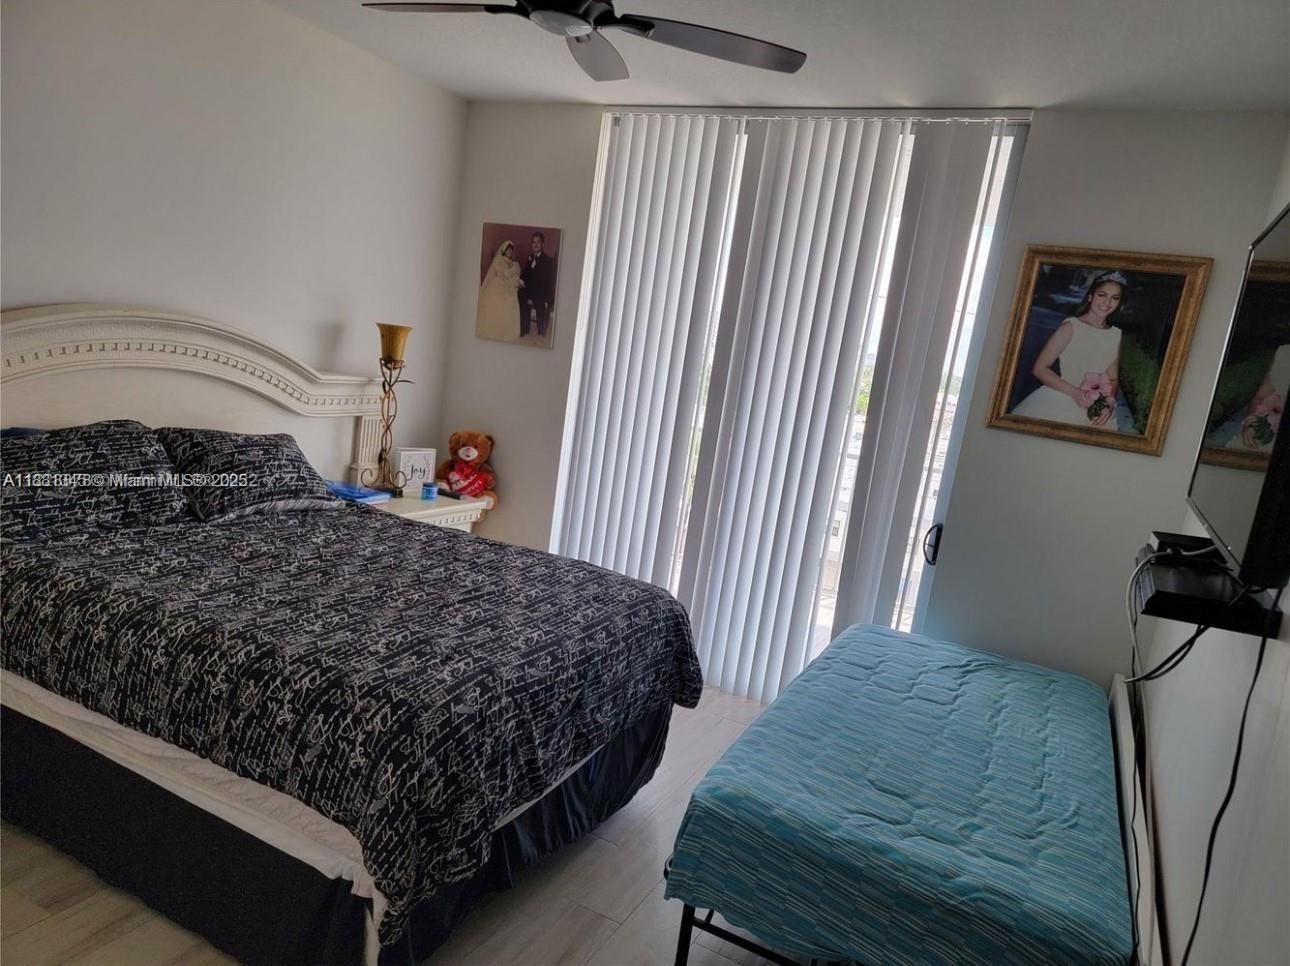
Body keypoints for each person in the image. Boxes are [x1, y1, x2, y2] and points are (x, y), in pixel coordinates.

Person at [1011, 270, 1126, 427]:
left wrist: (1110, 400)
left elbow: (1112, 378)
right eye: (1102, 295)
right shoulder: (1071, 327)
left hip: (1095, 407)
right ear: (1091, 296)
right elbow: (1039, 368)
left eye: (1114, 298)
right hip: (1062, 397)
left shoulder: (1115, 335)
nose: (1107, 302)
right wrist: (1076, 393)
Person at [476, 240, 523, 342]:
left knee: (512, 293)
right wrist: (513, 274)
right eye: (508, 250)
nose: (509, 252)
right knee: (497, 293)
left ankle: (507, 327)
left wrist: (515, 279)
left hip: (508, 284)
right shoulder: (499, 260)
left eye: (511, 251)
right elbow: (505, 274)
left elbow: (515, 275)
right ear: (504, 251)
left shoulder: (515, 264)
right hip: (499, 282)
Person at [520, 231, 555, 339]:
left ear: (543, 244)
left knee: (539, 299)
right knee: (521, 294)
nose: (535, 244)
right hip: (531, 290)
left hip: (542, 291)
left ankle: (541, 331)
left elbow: (549, 282)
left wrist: (548, 299)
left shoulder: (548, 260)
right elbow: (525, 275)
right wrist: (521, 280)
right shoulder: (530, 258)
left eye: (538, 242)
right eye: (533, 242)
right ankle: (524, 328)